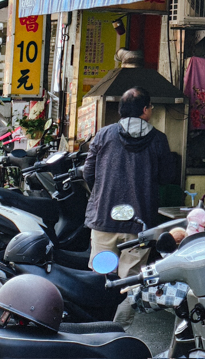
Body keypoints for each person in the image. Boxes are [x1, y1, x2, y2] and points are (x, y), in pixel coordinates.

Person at [84, 86, 177, 325]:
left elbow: (88, 173)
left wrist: (102, 193)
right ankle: (118, 330)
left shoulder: (103, 135)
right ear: (145, 110)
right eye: (151, 107)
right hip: (139, 224)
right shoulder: (159, 139)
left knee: (100, 276)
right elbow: (168, 177)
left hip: (104, 219)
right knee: (131, 281)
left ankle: (96, 325)